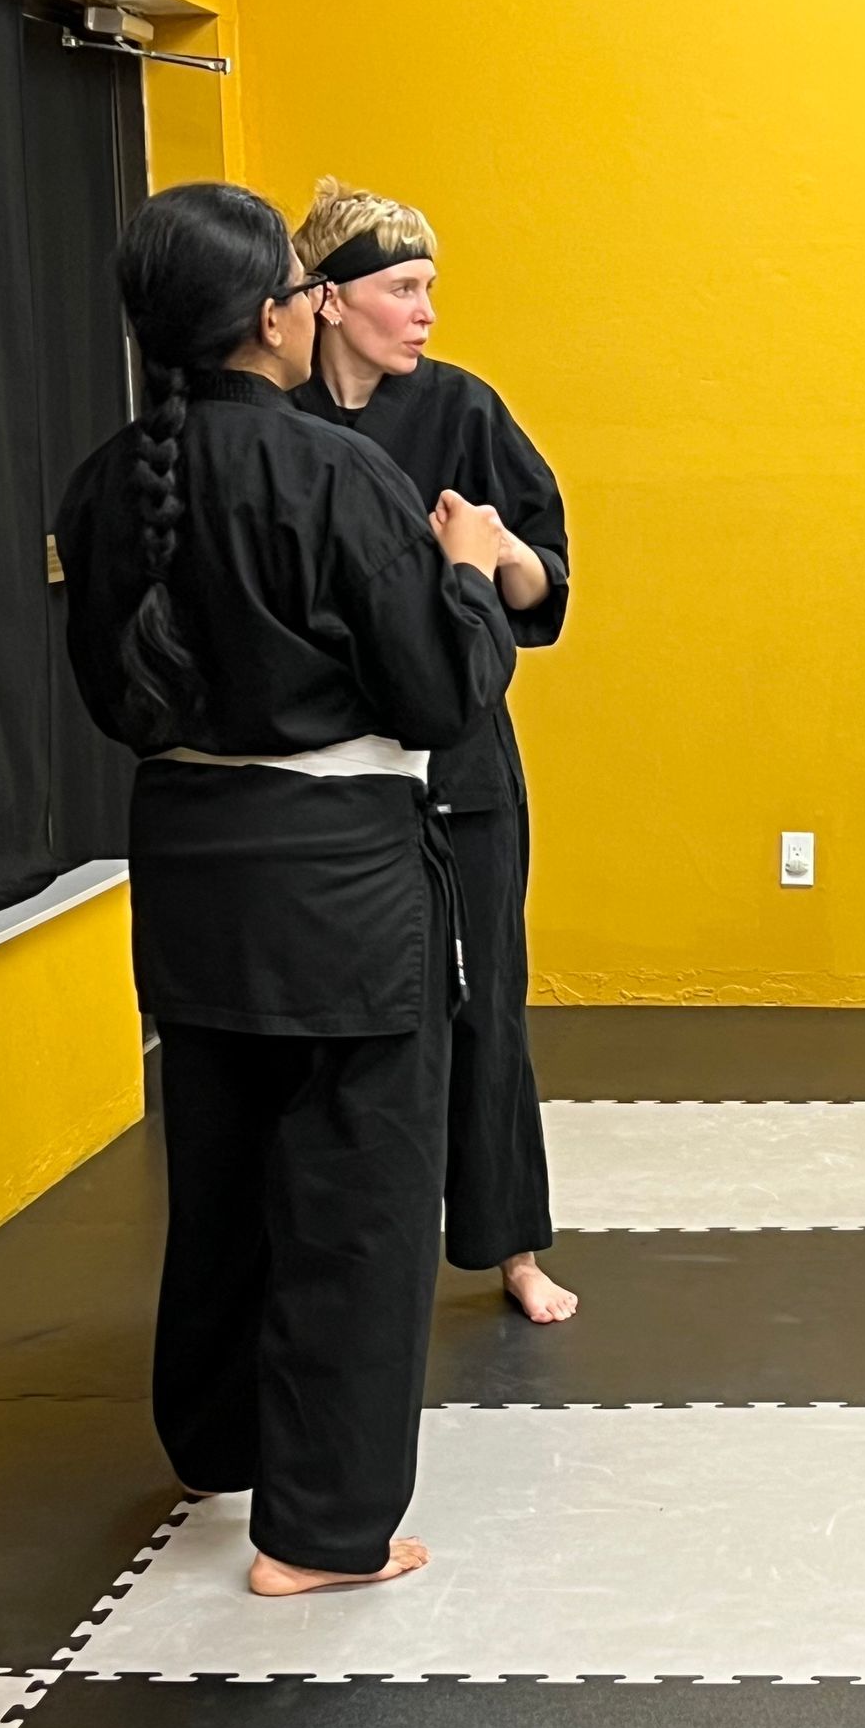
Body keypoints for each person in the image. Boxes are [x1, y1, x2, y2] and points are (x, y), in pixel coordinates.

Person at [52, 181, 514, 1593]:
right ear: (275, 315)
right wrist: (470, 574)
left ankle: (218, 1442)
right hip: (341, 896)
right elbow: (438, 693)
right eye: (312, 296)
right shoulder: (337, 476)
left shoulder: (107, 484)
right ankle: (319, 1535)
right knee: (357, 1208)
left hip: (190, 876)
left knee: (225, 1172)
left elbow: (103, 693)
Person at [290, 178, 576, 1324]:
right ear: (323, 301)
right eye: (400, 290)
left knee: (486, 1000)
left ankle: (510, 1247)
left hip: (460, 760)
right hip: (333, 768)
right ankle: (362, 1255)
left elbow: (547, 581)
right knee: (356, 1026)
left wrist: (496, 556)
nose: (423, 312)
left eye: (429, 290)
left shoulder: (463, 409)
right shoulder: (279, 426)